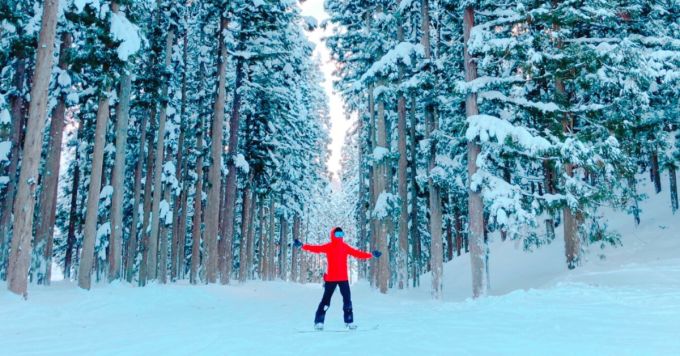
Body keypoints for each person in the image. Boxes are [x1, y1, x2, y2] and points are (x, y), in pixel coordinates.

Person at [294, 227, 381, 330]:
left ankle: (349, 322)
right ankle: (319, 322)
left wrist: (371, 255)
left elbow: (358, 254)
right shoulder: (329, 246)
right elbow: (316, 248)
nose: (339, 237)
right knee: (326, 301)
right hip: (331, 279)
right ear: (333, 235)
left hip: (343, 278)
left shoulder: (345, 247)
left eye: (341, 235)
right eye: (337, 235)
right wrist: (302, 246)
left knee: (347, 301)